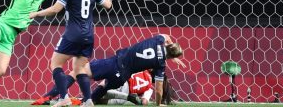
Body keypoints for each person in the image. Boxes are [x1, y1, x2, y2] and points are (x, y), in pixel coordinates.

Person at [29, 0, 112, 107]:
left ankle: (64, 98)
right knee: (79, 68)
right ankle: (87, 101)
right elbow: (107, 5)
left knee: (55, 64)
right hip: (88, 36)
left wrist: (36, 14)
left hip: (72, 34)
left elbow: (55, 9)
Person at [32, 34, 185, 106]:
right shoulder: (160, 65)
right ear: (171, 56)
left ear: (168, 46)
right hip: (123, 76)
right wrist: (158, 105)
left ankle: (49, 97)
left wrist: (170, 46)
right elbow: (158, 88)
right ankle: (85, 101)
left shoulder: (158, 41)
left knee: (77, 71)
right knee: (103, 89)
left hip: (115, 63)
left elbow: (165, 36)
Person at [32, 70, 153, 106]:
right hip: (123, 97)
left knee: (95, 97)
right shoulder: (150, 86)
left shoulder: (140, 68)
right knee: (95, 100)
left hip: (121, 81)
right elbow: (144, 102)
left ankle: (54, 100)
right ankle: (128, 97)